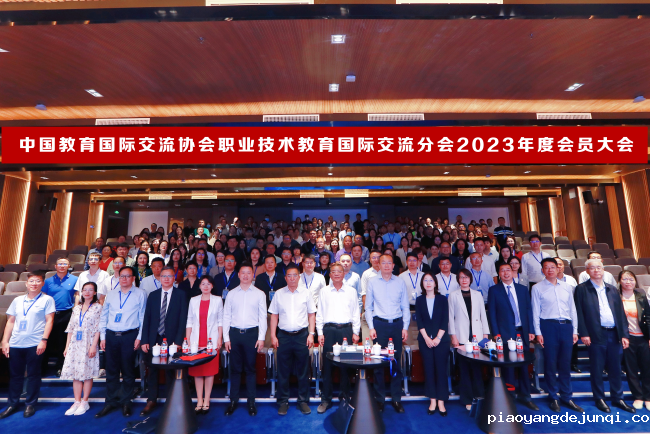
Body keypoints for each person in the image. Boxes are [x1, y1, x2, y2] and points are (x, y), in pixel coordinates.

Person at [574, 259, 635, 414]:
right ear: (587, 271)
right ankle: (599, 398)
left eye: (599, 267)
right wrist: (584, 333)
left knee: (615, 368)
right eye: (592, 268)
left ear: (603, 270)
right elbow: (579, 312)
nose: (596, 270)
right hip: (595, 334)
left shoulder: (612, 289)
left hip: (614, 333)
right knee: (597, 368)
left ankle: (618, 398)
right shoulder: (582, 289)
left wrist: (624, 334)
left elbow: (620, 314)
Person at [0, 271, 55, 419]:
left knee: (33, 375)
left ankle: (30, 404)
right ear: (26, 283)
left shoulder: (47, 299)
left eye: (37, 281)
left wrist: (44, 340)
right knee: (15, 375)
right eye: (31, 281)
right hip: (16, 343)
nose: (34, 284)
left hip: (35, 343)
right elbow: (10, 321)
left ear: (42, 283)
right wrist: (5, 341)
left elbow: (49, 321)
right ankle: (12, 404)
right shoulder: (17, 300)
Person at [531, 258, 583, 413]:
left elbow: (573, 309)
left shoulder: (567, 287)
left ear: (558, 269)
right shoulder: (537, 288)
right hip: (548, 326)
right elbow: (535, 311)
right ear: (542, 270)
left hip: (566, 327)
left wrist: (575, 330)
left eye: (552, 267)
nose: (550, 270)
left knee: (565, 363)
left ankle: (567, 396)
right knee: (551, 363)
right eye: (546, 267)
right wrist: (538, 332)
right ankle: (553, 396)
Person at [96, 267, 147, 418]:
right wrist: (103, 337)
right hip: (111, 335)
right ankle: (110, 401)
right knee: (111, 370)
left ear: (133, 278)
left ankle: (126, 402)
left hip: (129, 335)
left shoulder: (140, 294)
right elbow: (104, 316)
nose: (124, 279)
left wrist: (139, 337)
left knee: (128, 370)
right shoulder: (111, 294)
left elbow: (143, 317)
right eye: (122, 276)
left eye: (127, 276)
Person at [488, 263, 538, 411]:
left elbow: (528, 310)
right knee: (508, 367)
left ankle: (526, 396)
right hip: (504, 333)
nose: (505, 273)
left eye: (508, 270)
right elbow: (492, 314)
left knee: (524, 366)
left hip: (522, 332)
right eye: (502, 270)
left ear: (513, 272)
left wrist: (531, 330)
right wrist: (496, 334)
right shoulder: (494, 290)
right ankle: (509, 398)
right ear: (499, 274)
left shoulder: (522, 289)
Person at [139, 267, 189, 416]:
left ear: (174, 278)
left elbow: (183, 319)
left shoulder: (181, 295)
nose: (166, 279)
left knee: (170, 370)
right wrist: (145, 340)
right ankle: (151, 400)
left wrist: (179, 341)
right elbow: (147, 318)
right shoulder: (153, 295)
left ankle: (171, 400)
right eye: (164, 276)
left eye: (169, 276)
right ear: (160, 278)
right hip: (154, 338)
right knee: (152, 370)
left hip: (172, 340)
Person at [269, 265, 316, 415]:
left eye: (295, 275)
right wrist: (273, 336)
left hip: (302, 335)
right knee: (283, 370)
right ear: (285, 278)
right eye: (289, 276)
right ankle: (283, 401)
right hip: (283, 336)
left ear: (299, 277)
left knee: (303, 370)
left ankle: (303, 401)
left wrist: (311, 334)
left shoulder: (306, 293)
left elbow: (311, 314)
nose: (292, 278)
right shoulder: (279, 294)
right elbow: (274, 316)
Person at [365, 254, 410, 413]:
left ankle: (396, 399)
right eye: (383, 263)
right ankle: (380, 399)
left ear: (393, 265)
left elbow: (405, 306)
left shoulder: (400, 282)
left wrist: (405, 327)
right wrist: (371, 327)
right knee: (378, 363)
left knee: (395, 362)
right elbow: (368, 307)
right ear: (378, 264)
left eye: (389, 263)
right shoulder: (372, 282)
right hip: (379, 325)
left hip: (397, 325)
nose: (386, 265)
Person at [223, 262, 267, 417]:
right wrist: (226, 338)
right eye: (243, 273)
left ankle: (251, 402)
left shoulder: (259, 294)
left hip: (251, 335)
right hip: (234, 334)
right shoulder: (231, 294)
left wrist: (261, 338)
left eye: (249, 273)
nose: (246, 275)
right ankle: (233, 401)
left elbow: (263, 317)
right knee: (234, 369)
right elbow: (226, 316)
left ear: (252, 275)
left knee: (250, 369)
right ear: (239, 275)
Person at [316, 262, 360, 414]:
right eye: (333, 271)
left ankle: (345, 398)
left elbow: (356, 312)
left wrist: (356, 332)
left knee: (345, 366)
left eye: (339, 271)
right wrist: (320, 333)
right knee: (327, 366)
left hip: (346, 330)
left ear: (344, 274)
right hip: (329, 330)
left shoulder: (351, 291)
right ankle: (326, 399)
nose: (336, 274)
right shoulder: (324, 291)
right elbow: (320, 313)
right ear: (330, 274)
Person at [448, 269, 489, 410]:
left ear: (470, 279)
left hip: (477, 336)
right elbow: (450, 318)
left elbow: (483, 315)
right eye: (461, 277)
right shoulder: (453, 295)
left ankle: (479, 397)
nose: (464, 280)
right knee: (464, 369)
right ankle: (467, 399)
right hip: (461, 336)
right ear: (458, 280)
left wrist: (486, 335)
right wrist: (453, 336)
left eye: (466, 277)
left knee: (477, 368)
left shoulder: (478, 295)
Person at [60, 281, 102, 416]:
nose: (87, 292)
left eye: (90, 290)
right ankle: (76, 401)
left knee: (87, 373)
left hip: (89, 343)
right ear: (81, 292)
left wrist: (93, 346)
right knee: (76, 374)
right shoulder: (76, 308)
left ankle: (85, 401)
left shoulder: (98, 307)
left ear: (95, 292)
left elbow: (98, 329)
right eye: (85, 290)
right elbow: (70, 329)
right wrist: (67, 347)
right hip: (75, 344)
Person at [187, 275, 223, 414]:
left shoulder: (218, 300)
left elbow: (220, 321)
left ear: (212, 286)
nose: (206, 286)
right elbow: (189, 320)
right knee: (197, 372)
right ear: (199, 286)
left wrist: (220, 338)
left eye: (208, 284)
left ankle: (206, 400)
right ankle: (199, 400)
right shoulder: (193, 300)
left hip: (211, 341)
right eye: (203, 284)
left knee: (209, 372)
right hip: (196, 341)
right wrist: (188, 339)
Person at [415, 272, 450, 415]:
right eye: (425, 280)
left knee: (441, 370)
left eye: (431, 280)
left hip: (441, 340)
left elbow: (445, 319)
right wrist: (427, 338)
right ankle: (433, 400)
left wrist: (437, 338)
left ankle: (441, 401)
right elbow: (419, 321)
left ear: (435, 283)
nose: (428, 283)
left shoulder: (442, 299)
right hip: (425, 340)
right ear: (422, 284)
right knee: (428, 369)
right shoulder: (419, 300)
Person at [41, 257, 79, 375]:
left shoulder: (74, 279)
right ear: (55, 266)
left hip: (66, 313)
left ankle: (61, 367)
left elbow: (77, 295)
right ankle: (42, 368)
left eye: (65, 264)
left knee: (63, 342)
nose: (62, 266)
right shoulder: (48, 281)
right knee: (47, 340)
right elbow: (43, 295)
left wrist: (75, 309)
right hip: (50, 314)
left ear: (69, 266)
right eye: (60, 264)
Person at [619, 271, 650, 411]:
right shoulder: (616, 297)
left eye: (631, 279)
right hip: (627, 338)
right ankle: (638, 396)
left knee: (647, 369)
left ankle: (648, 397)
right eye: (625, 279)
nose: (628, 282)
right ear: (619, 281)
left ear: (635, 281)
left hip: (643, 337)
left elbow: (648, 316)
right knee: (631, 369)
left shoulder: (641, 295)